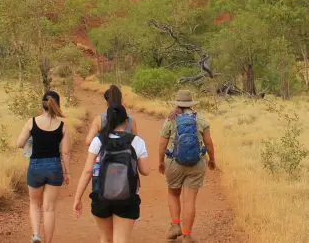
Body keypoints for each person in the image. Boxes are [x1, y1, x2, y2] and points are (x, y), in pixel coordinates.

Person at [73, 104, 150, 243]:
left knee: (105, 239)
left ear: (107, 121)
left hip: (101, 195)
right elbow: (145, 171)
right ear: (127, 121)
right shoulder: (136, 141)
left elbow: (88, 170)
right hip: (128, 197)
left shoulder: (98, 141)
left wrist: (77, 198)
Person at [158, 90, 216, 243]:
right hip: (196, 163)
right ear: (191, 104)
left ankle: (175, 225)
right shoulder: (200, 119)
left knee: (173, 193)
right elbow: (209, 143)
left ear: (177, 103)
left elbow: (162, 144)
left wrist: (160, 161)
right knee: (189, 200)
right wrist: (212, 160)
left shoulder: (171, 119)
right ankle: (187, 235)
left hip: (174, 163)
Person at [16, 91, 70, 243]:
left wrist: (31, 141)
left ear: (42, 104)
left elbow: (19, 143)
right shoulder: (62, 126)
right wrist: (67, 173)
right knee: (49, 208)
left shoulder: (32, 122)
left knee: (34, 203)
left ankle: (36, 235)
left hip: (36, 166)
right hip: (54, 167)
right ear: (57, 105)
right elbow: (65, 153)